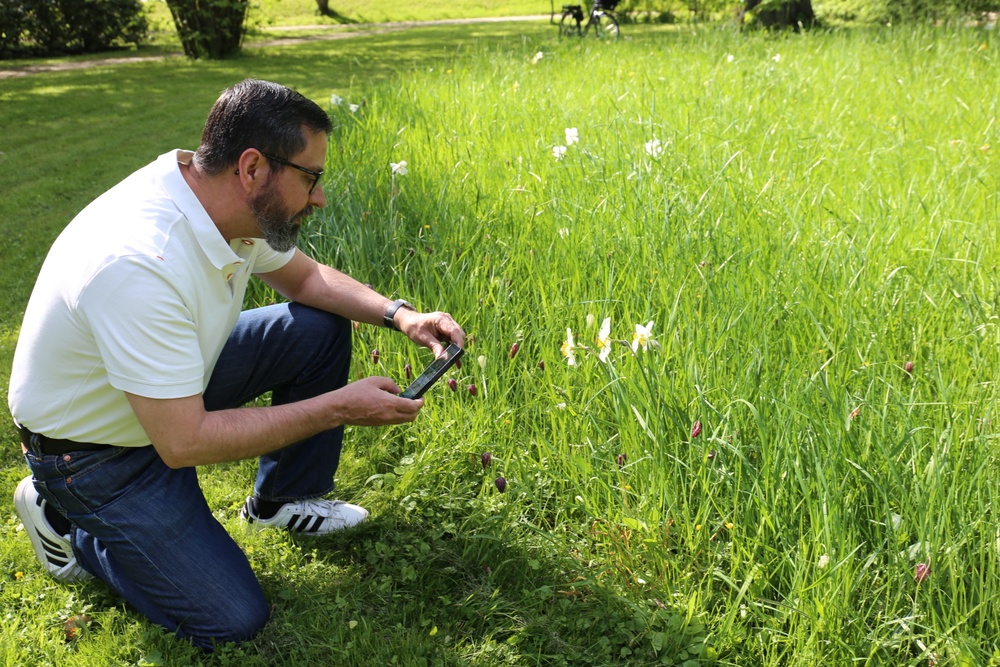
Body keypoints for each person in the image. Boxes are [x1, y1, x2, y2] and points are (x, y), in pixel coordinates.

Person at [7, 78, 464, 649]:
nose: (319, 197)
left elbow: (303, 278)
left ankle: (280, 502)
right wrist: (337, 409)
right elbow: (186, 442)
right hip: (94, 452)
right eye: (311, 177)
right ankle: (67, 522)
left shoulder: (216, 199)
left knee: (316, 325)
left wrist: (400, 315)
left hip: (166, 389)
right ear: (252, 168)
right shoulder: (136, 262)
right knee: (230, 618)